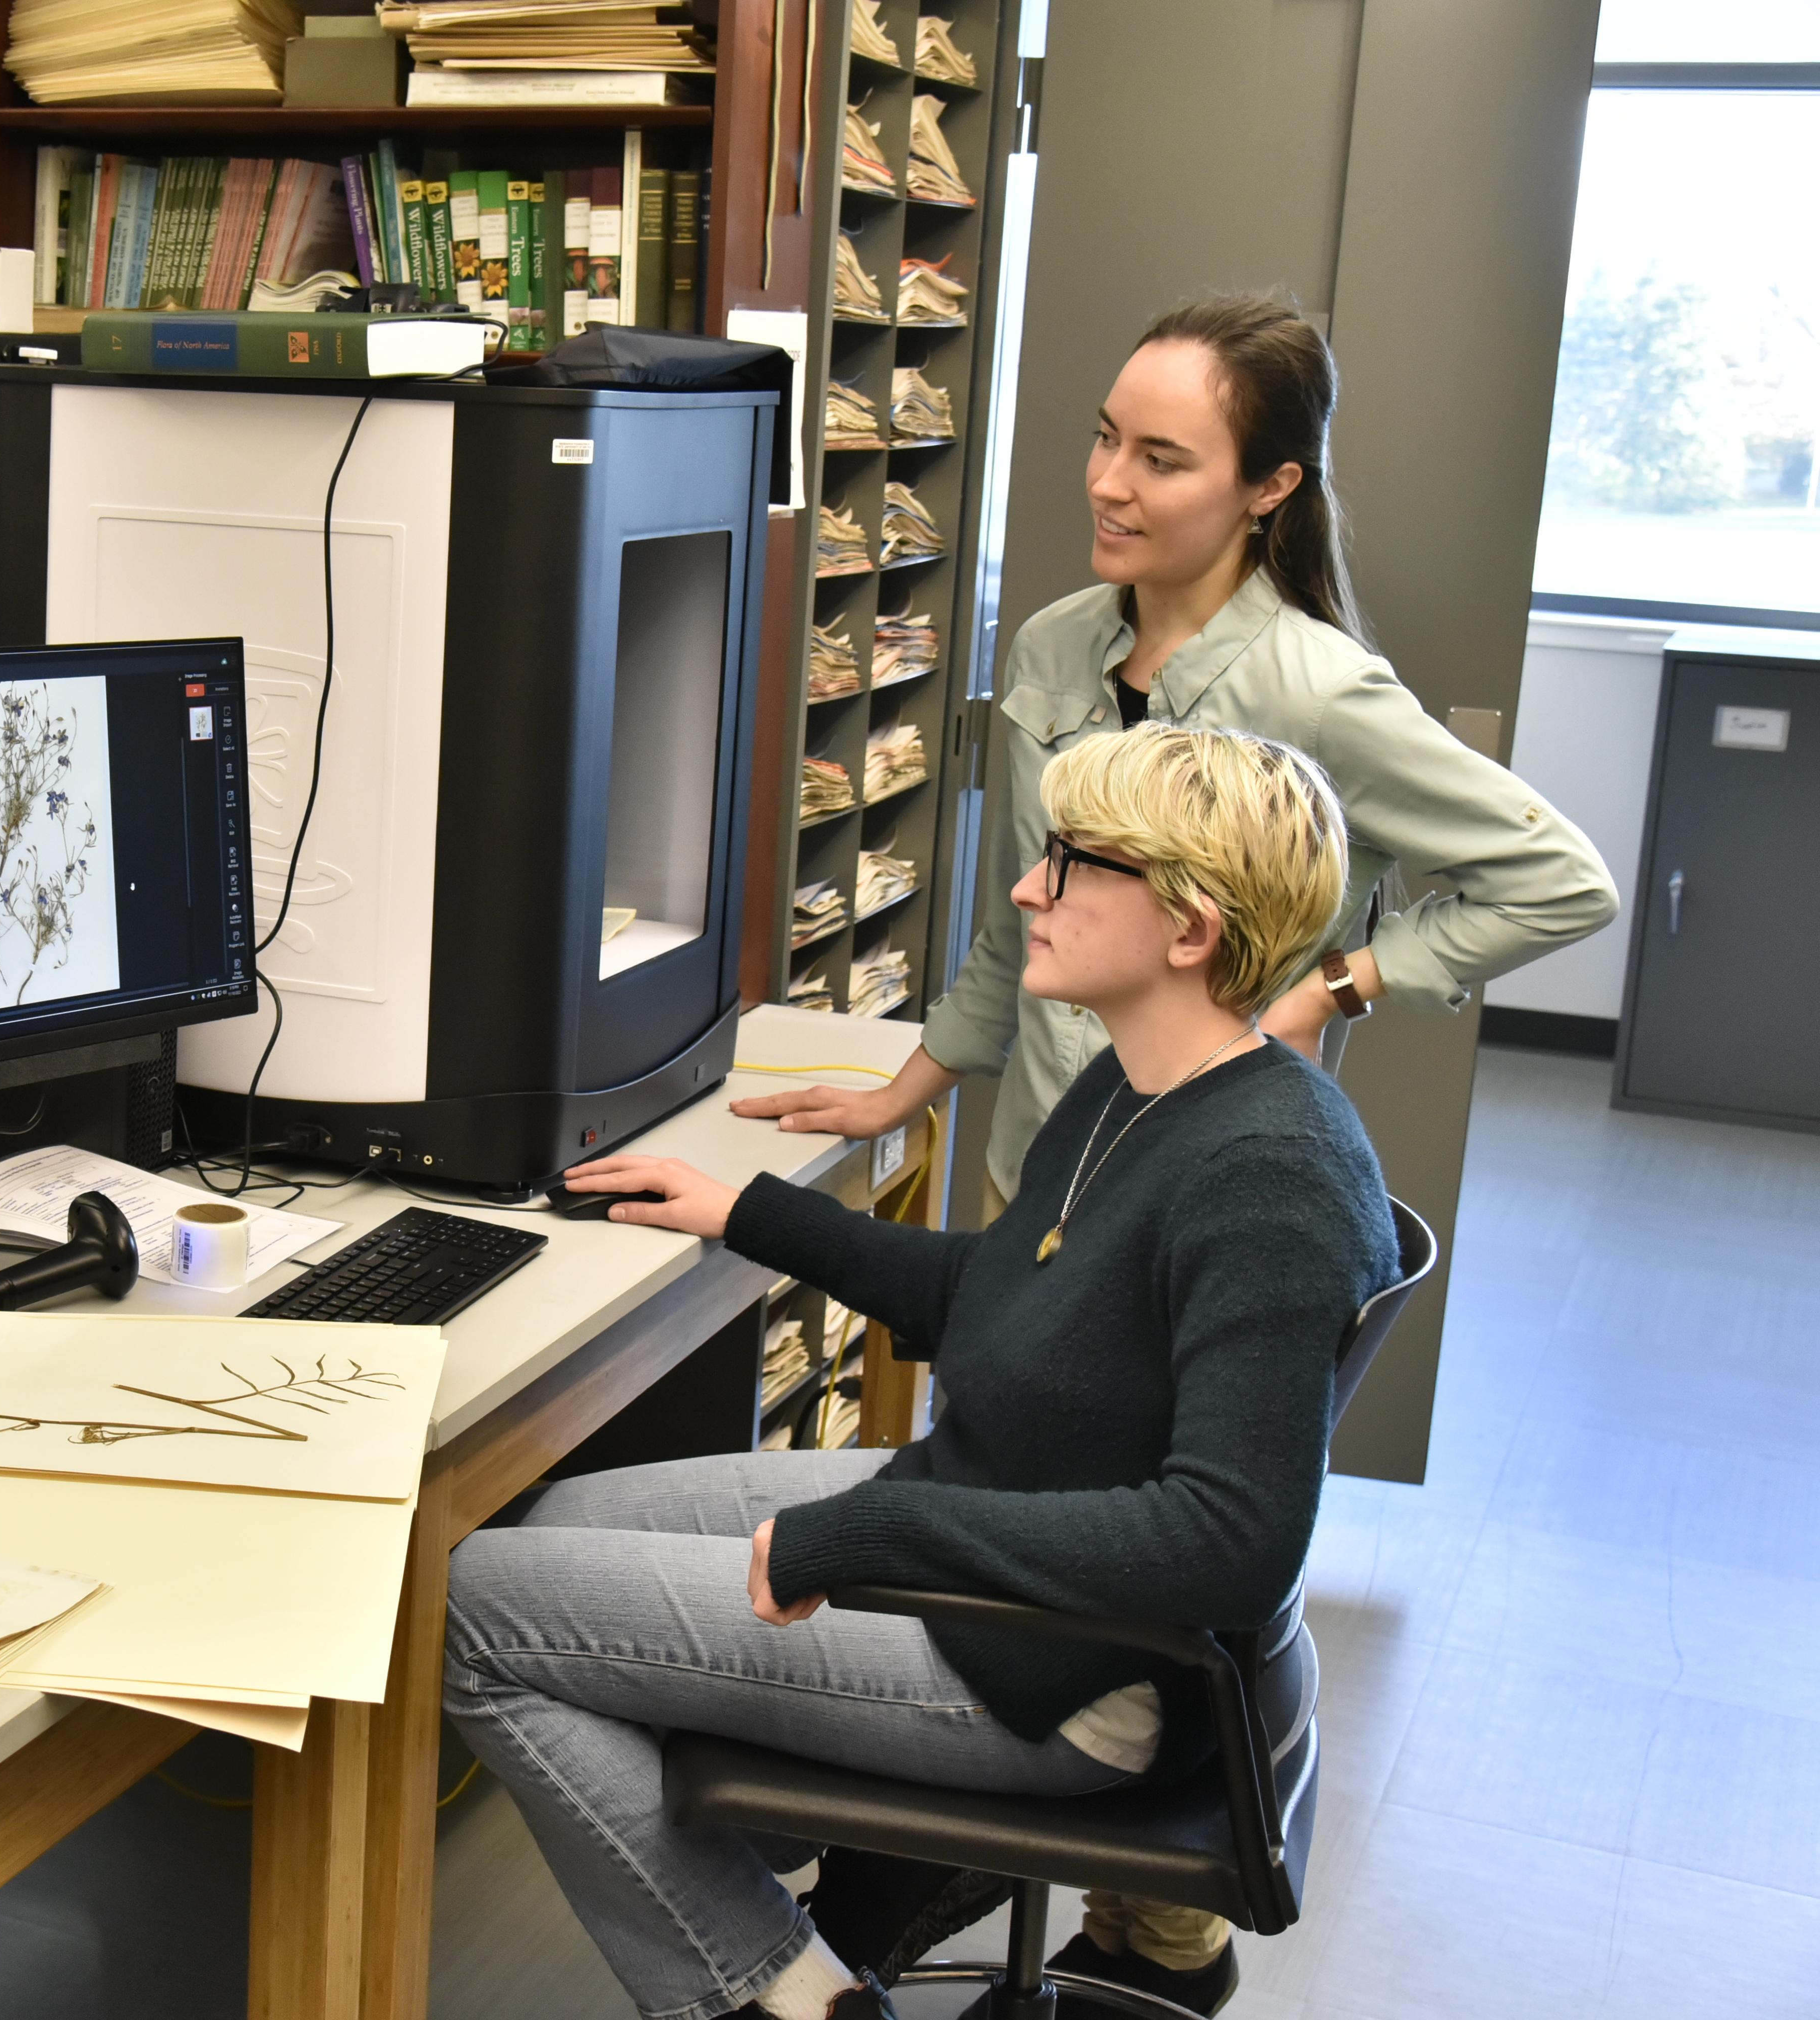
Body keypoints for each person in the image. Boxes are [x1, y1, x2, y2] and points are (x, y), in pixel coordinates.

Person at [723, 291, 1617, 2008]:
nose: (1110, 481)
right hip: (1046, 1177)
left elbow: (1556, 880)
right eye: (1102, 438)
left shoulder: (1314, 690)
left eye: (1163, 455)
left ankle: (1065, 1927)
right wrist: (905, 1092)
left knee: (1078, 1601)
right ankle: (943, 1911)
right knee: (992, 1558)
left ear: (1269, 487)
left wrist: (1340, 983)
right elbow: (1025, 911)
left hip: (1183, 1185)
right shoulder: (1060, 645)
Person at [448, 723, 1401, 2020]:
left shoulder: (1268, 1175)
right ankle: (799, 1881)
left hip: (1058, 1669)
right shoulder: (1145, 1086)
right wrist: (745, 1214)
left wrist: (875, 1532)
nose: (1024, 889)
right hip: (992, 1523)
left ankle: (779, 1989)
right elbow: (1000, 1302)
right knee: (551, 1523)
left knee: (474, 1609)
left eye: (1069, 865)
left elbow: (1236, 1540)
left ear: (1189, 928)